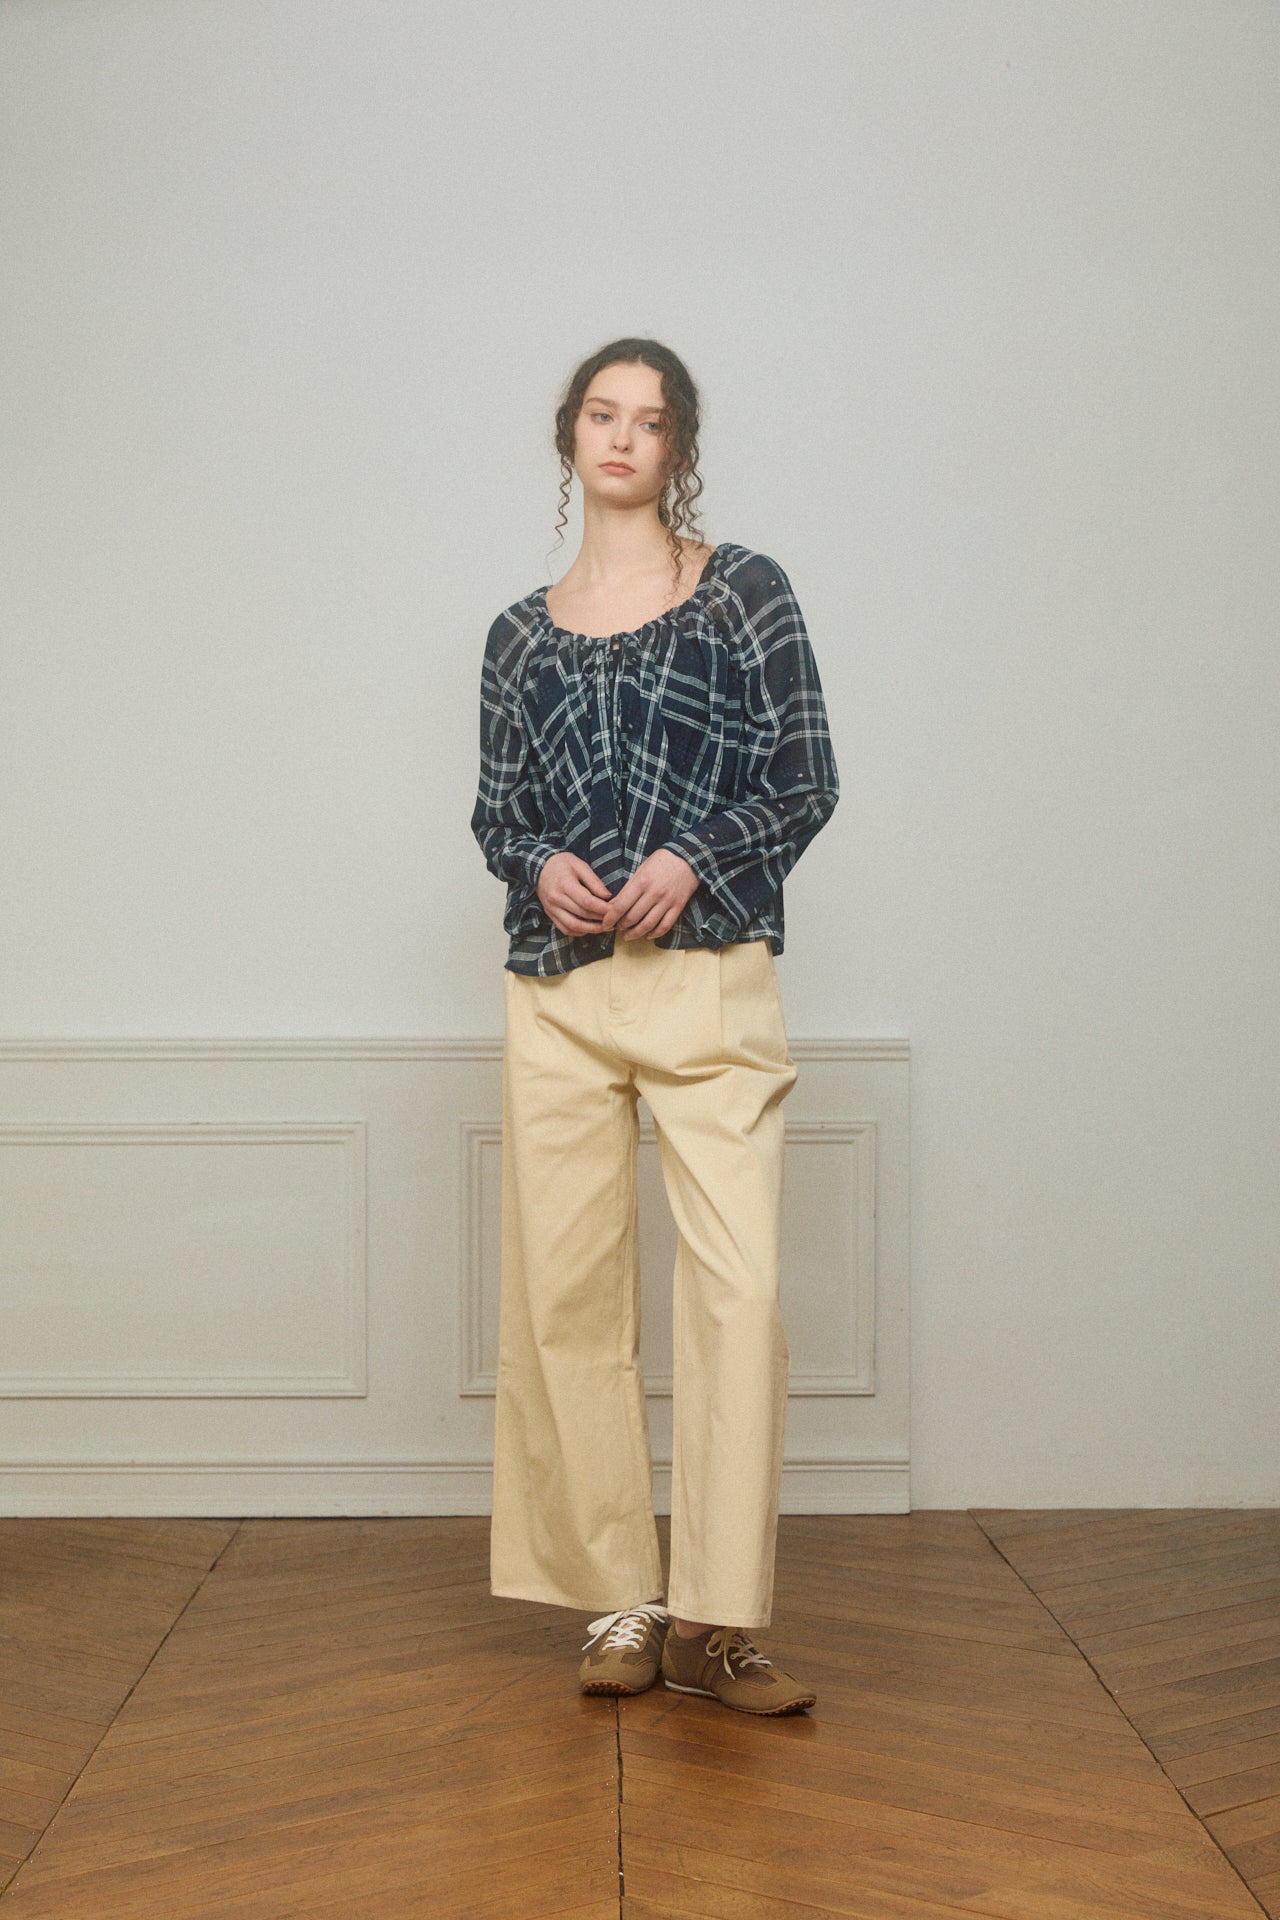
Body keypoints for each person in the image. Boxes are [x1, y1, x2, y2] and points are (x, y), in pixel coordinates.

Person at [470, 337, 840, 1716]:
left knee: (738, 1292)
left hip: (706, 973)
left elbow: (804, 777)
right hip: (561, 989)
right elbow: (498, 812)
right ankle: (619, 1601)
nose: (622, 437)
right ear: (569, 435)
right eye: (600, 413)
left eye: (650, 419)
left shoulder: (743, 590)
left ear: (679, 446)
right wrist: (538, 867)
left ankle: (716, 1624)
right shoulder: (517, 635)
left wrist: (695, 856)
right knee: (564, 1295)